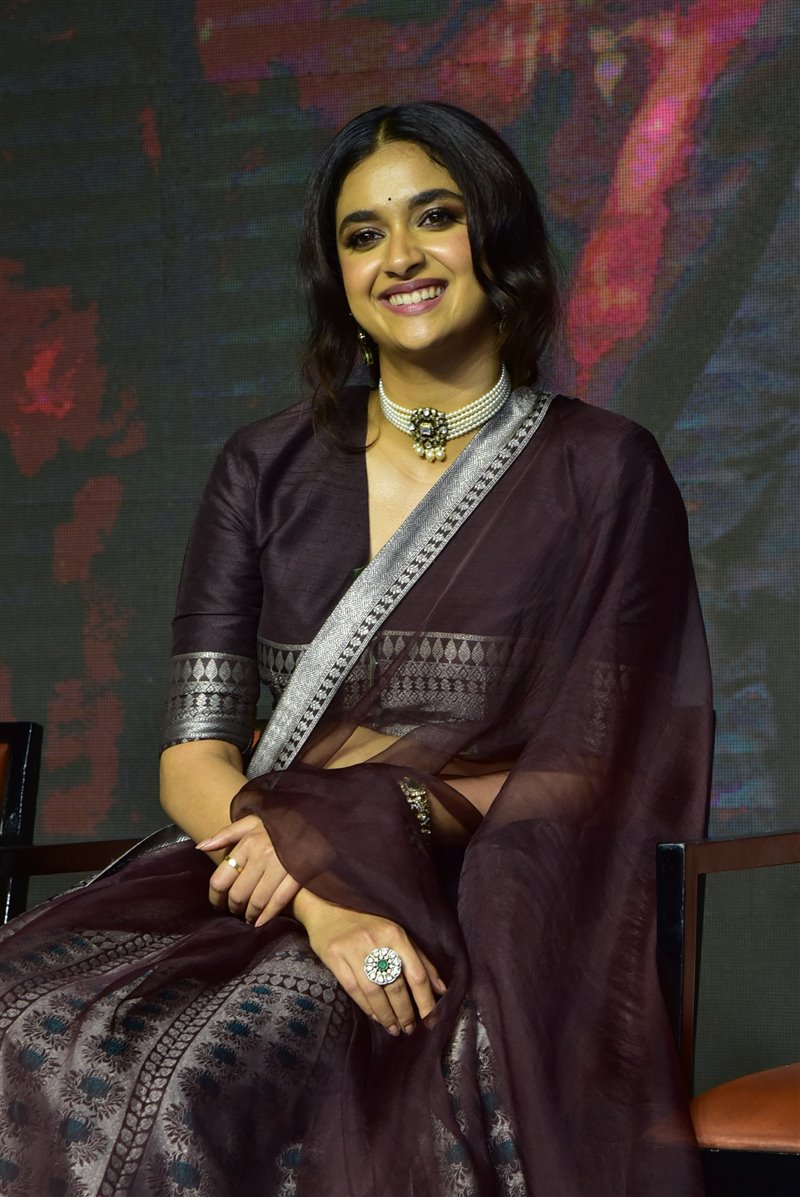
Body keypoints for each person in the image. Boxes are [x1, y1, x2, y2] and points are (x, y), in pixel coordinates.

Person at [0, 102, 712, 1197]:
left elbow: (602, 761)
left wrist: (373, 819)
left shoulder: (603, 471)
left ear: (498, 239)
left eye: (436, 217)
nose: (401, 257)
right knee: (23, 1027)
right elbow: (193, 757)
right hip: (258, 881)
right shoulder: (265, 469)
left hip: (486, 896)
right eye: (363, 234)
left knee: (205, 1093)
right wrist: (320, 889)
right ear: (337, 277)